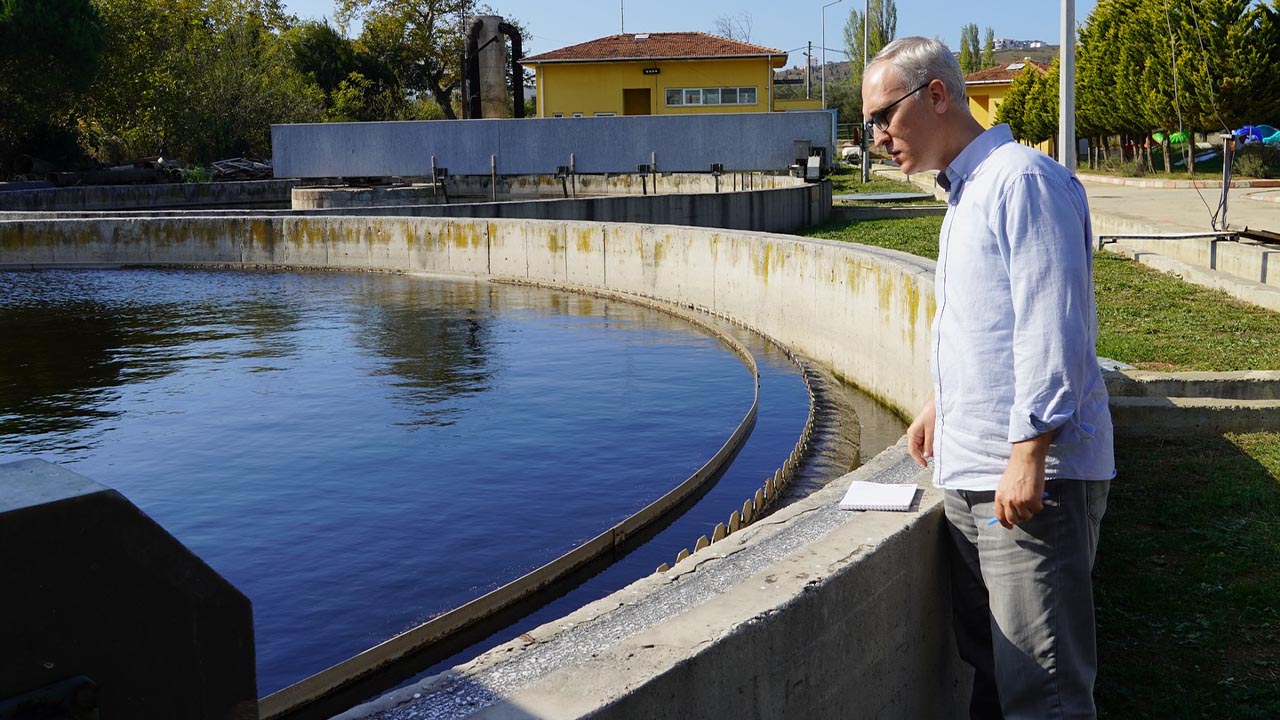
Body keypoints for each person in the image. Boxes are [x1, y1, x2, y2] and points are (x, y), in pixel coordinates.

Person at [862, 37, 1116, 719]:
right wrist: (940, 403)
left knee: (1045, 689)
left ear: (936, 95)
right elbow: (989, 324)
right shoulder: (966, 192)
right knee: (995, 676)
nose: (879, 137)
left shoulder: (1021, 179)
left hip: (1034, 482)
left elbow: (1053, 325)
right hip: (971, 472)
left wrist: (1029, 454)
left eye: (882, 116)